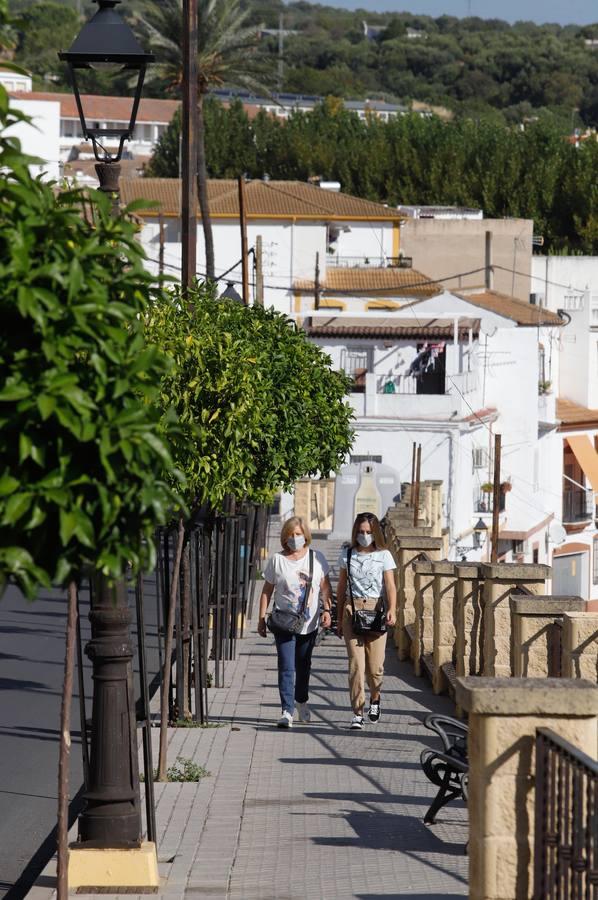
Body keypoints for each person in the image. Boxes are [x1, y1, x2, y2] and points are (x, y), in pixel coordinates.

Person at [257, 516, 332, 728]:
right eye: (291, 535)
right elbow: (266, 591)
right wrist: (261, 618)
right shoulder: (277, 560)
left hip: (309, 623)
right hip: (283, 622)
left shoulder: (316, 559)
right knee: (287, 666)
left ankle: (301, 701)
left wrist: (327, 609)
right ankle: (287, 710)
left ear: (305, 536)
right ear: (284, 537)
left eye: (298, 534)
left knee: (303, 665)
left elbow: (325, 587)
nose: (294, 538)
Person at [336, 511, 397, 730]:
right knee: (356, 665)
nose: (364, 536)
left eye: (369, 532)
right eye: (361, 532)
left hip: (376, 609)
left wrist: (392, 609)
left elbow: (390, 585)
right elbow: (341, 587)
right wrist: (338, 616)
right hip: (352, 611)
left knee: (375, 667)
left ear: (376, 533)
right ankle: (357, 712)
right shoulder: (347, 554)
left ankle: (375, 698)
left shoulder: (384, 555)